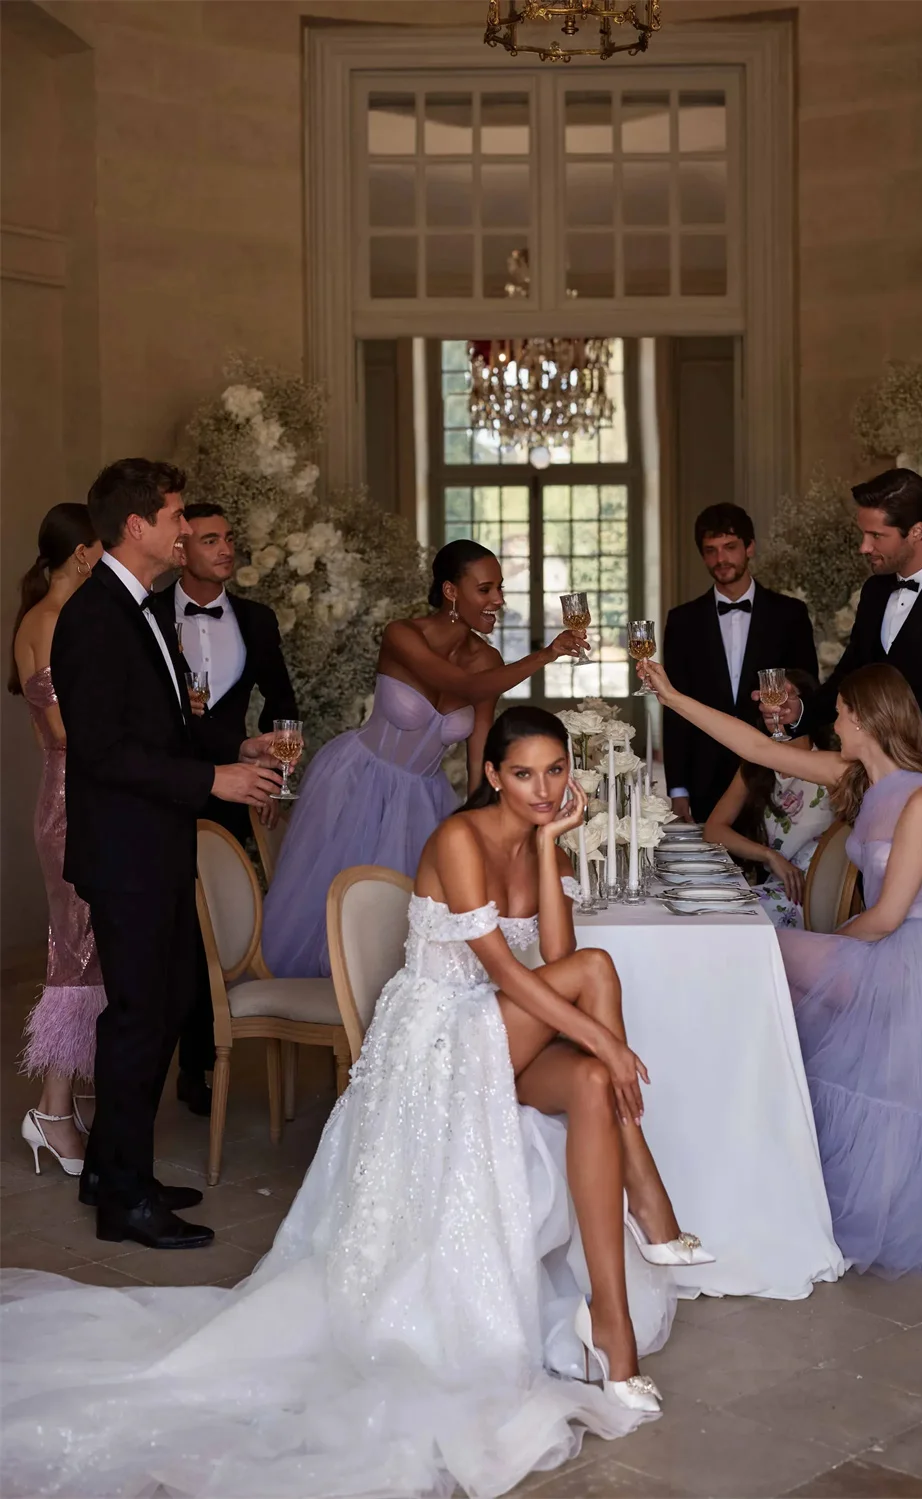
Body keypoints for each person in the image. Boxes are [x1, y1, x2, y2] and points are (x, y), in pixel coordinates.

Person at [0, 707, 715, 1499]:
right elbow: (516, 979)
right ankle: (646, 1194)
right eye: (523, 774)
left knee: (586, 1071)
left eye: (555, 772)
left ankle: (611, 1333)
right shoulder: (458, 839)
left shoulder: (538, 835)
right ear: (490, 775)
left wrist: (549, 849)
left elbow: (552, 955)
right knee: (601, 977)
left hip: (499, 1036)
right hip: (441, 1041)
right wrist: (613, 1044)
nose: (543, 789)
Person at [643, 656, 922, 1280]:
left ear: (864, 718)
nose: (833, 722)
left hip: (914, 958)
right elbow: (756, 744)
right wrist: (672, 697)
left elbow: (888, 916)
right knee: (758, 952)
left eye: (839, 713)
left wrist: (830, 949)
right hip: (883, 949)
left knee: (760, 951)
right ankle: (731, 1126)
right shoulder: (856, 777)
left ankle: (732, 1125)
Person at [51, 459, 284, 1250]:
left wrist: (234, 747)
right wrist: (211, 777)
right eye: (178, 515)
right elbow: (103, 752)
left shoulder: (139, 606)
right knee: (141, 1020)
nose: (186, 528)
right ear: (138, 526)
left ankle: (119, 1171)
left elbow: (162, 731)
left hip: (154, 843)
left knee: (161, 1005)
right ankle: (122, 1198)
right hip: (126, 851)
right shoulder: (92, 617)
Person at [262, 538, 585, 978]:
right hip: (358, 779)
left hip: (422, 798)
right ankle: (337, 1016)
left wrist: (485, 825)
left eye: (499, 589)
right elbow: (466, 687)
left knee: (406, 924)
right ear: (452, 592)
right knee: (329, 913)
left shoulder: (488, 658)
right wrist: (547, 654)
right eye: (485, 589)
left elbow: (480, 758)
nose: (498, 600)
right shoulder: (403, 635)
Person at [149, 501, 298, 1116]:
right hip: (163, 791)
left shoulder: (258, 620)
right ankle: (176, 1062)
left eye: (230, 538)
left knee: (219, 923)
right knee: (173, 930)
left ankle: (204, 1064)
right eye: (211, 540)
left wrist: (276, 779)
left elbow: (281, 704)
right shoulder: (148, 616)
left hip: (235, 792)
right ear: (181, 550)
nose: (227, 549)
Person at [782, 469, 922, 836]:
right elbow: (850, 676)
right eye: (863, 533)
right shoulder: (874, 592)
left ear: (916, 531)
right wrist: (801, 711)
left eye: (876, 535)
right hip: (875, 794)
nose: (864, 547)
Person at [8, 505, 106, 1177]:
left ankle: (63, 1103)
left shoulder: (73, 618)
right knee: (74, 951)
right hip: (69, 801)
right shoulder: (44, 622)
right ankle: (51, 1111)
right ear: (82, 555)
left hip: (93, 798)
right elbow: (65, 731)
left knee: (89, 950)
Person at [662, 503, 817, 824]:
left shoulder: (790, 614)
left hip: (775, 770)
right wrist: (677, 788)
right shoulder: (682, 621)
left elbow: (808, 689)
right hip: (704, 773)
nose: (720, 559)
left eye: (730, 547)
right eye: (711, 550)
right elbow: (674, 707)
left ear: (749, 547)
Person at [704, 672, 834, 929]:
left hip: (819, 894)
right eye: (766, 698)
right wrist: (769, 856)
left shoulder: (831, 765)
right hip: (778, 891)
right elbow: (713, 829)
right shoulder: (757, 766)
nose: (774, 704)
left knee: (723, 921)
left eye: (787, 695)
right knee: (707, 911)